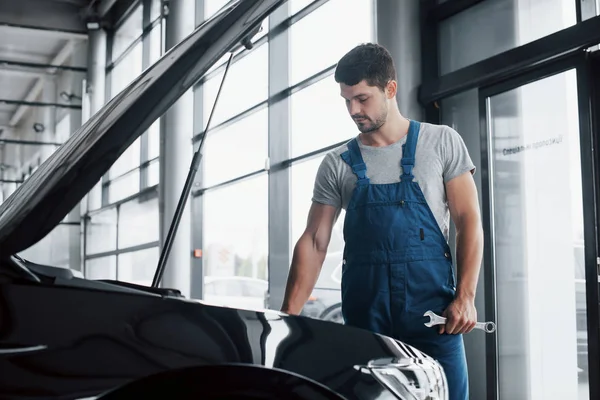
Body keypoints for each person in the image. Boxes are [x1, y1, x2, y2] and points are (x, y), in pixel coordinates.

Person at [280, 43, 484, 400]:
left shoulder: (441, 142)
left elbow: (469, 222)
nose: (353, 110)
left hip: (434, 321)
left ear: (390, 89)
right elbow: (314, 241)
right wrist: (287, 320)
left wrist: (465, 297)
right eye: (346, 101)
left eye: (362, 99)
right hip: (366, 328)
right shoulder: (337, 163)